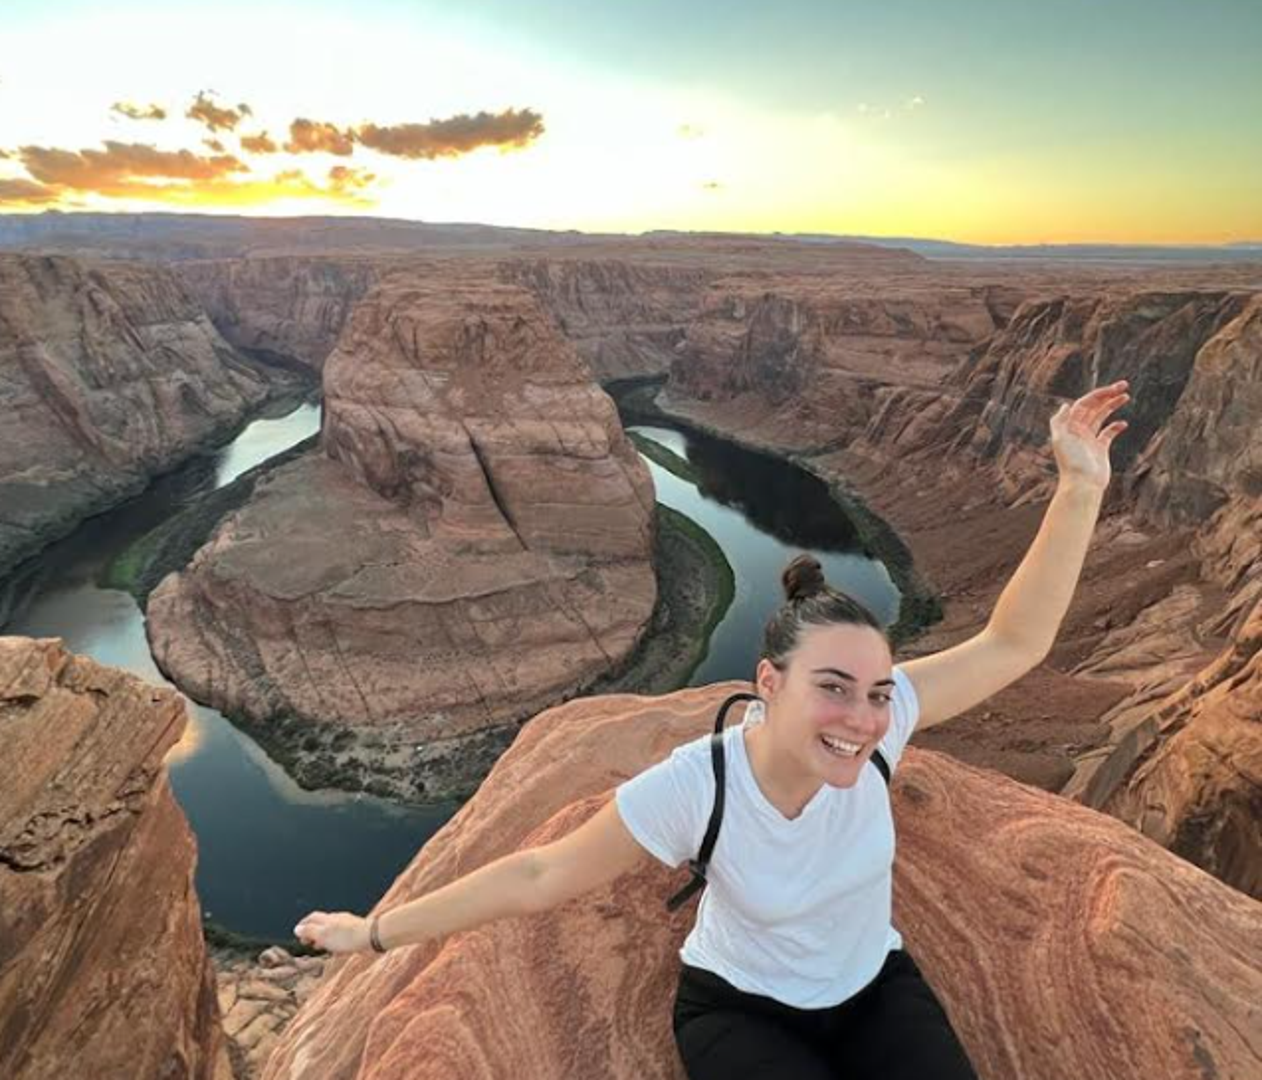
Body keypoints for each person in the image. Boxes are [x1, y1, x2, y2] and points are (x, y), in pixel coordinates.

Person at [295, 381, 1130, 1079]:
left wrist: (1080, 488)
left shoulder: (885, 725)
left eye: (879, 692)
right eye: (833, 688)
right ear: (769, 684)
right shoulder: (702, 783)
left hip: (875, 987)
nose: (863, 717)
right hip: (739, 1011)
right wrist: (371, 933)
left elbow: (1014, 642)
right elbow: (540, 873)